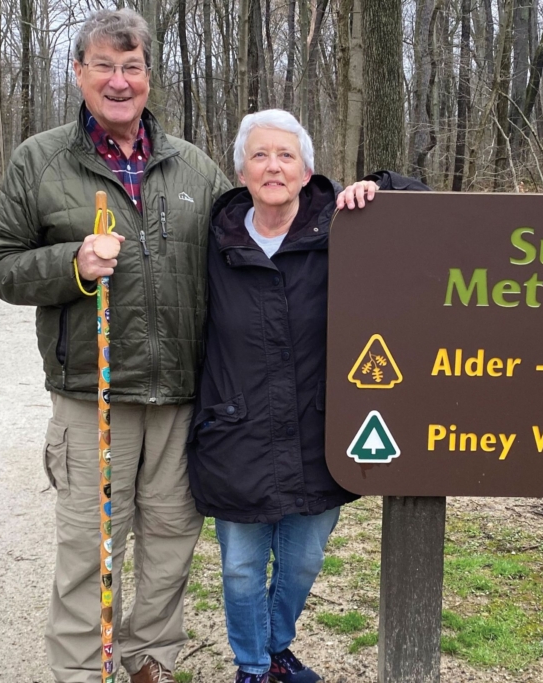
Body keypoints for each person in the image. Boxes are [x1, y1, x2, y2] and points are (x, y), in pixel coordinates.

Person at [0, 9, 230, 683]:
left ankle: (149, 662)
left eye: (132, 67)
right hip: (94, 397)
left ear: (149, 76)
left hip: (181, 395)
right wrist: (71, 264)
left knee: (174, 543)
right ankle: (83, 672)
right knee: (92, 551)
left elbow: (248, 248)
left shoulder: (195, 169)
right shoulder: (41, 161)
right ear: (79, 73)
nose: (119, 82)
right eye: (104, 66)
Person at [186, 109, 426, 683]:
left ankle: (276, 649)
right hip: (234, 433)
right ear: (241, 169)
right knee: (241, 569)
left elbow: (426, 220)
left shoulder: (341, 228)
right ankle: (252, 666)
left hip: (319, 433)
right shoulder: (212, 243)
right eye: (261, 155)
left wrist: (384, 189)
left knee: (301, 561)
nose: (273, 166)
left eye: (286, 155)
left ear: (308, 169)